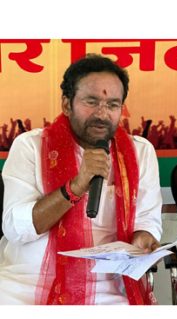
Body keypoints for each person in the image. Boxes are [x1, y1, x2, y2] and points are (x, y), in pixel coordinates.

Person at [0, 54, 162, 305]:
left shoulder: (141, 151)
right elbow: (14, 228)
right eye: (92, 101)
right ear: (67, 104)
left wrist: (144, 236)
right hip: (28, 282)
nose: (102, 113)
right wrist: (76, 186)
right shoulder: (30, 146)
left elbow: (147, 217)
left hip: (109, 282)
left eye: (113, 104)